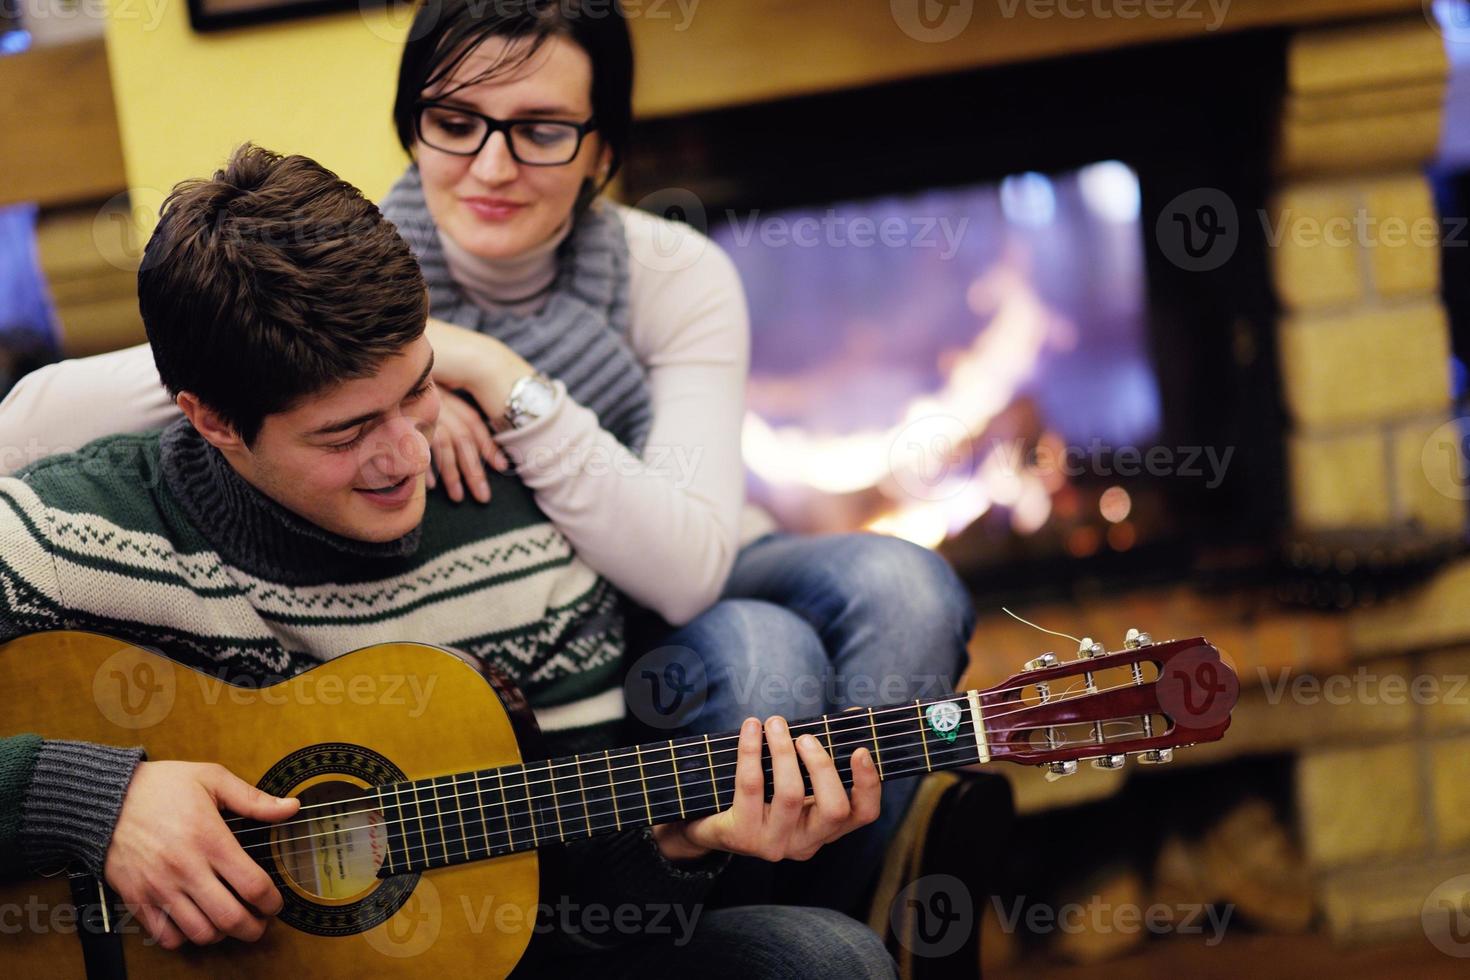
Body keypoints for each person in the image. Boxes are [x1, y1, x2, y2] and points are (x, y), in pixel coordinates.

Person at [0, 0, 973, 911]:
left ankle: (831, 902)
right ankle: (755, 913)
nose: (493, 166)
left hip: (677, 551)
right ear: (412, 122)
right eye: (455, 121)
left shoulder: (670, 273)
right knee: (771, 660)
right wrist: (397, 380)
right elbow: (32, 422)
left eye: (542, 129)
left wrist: (490, 374)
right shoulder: (349, 278)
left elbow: (685, 570)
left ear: (601, 148)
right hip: (552, 600)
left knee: (909, 588)